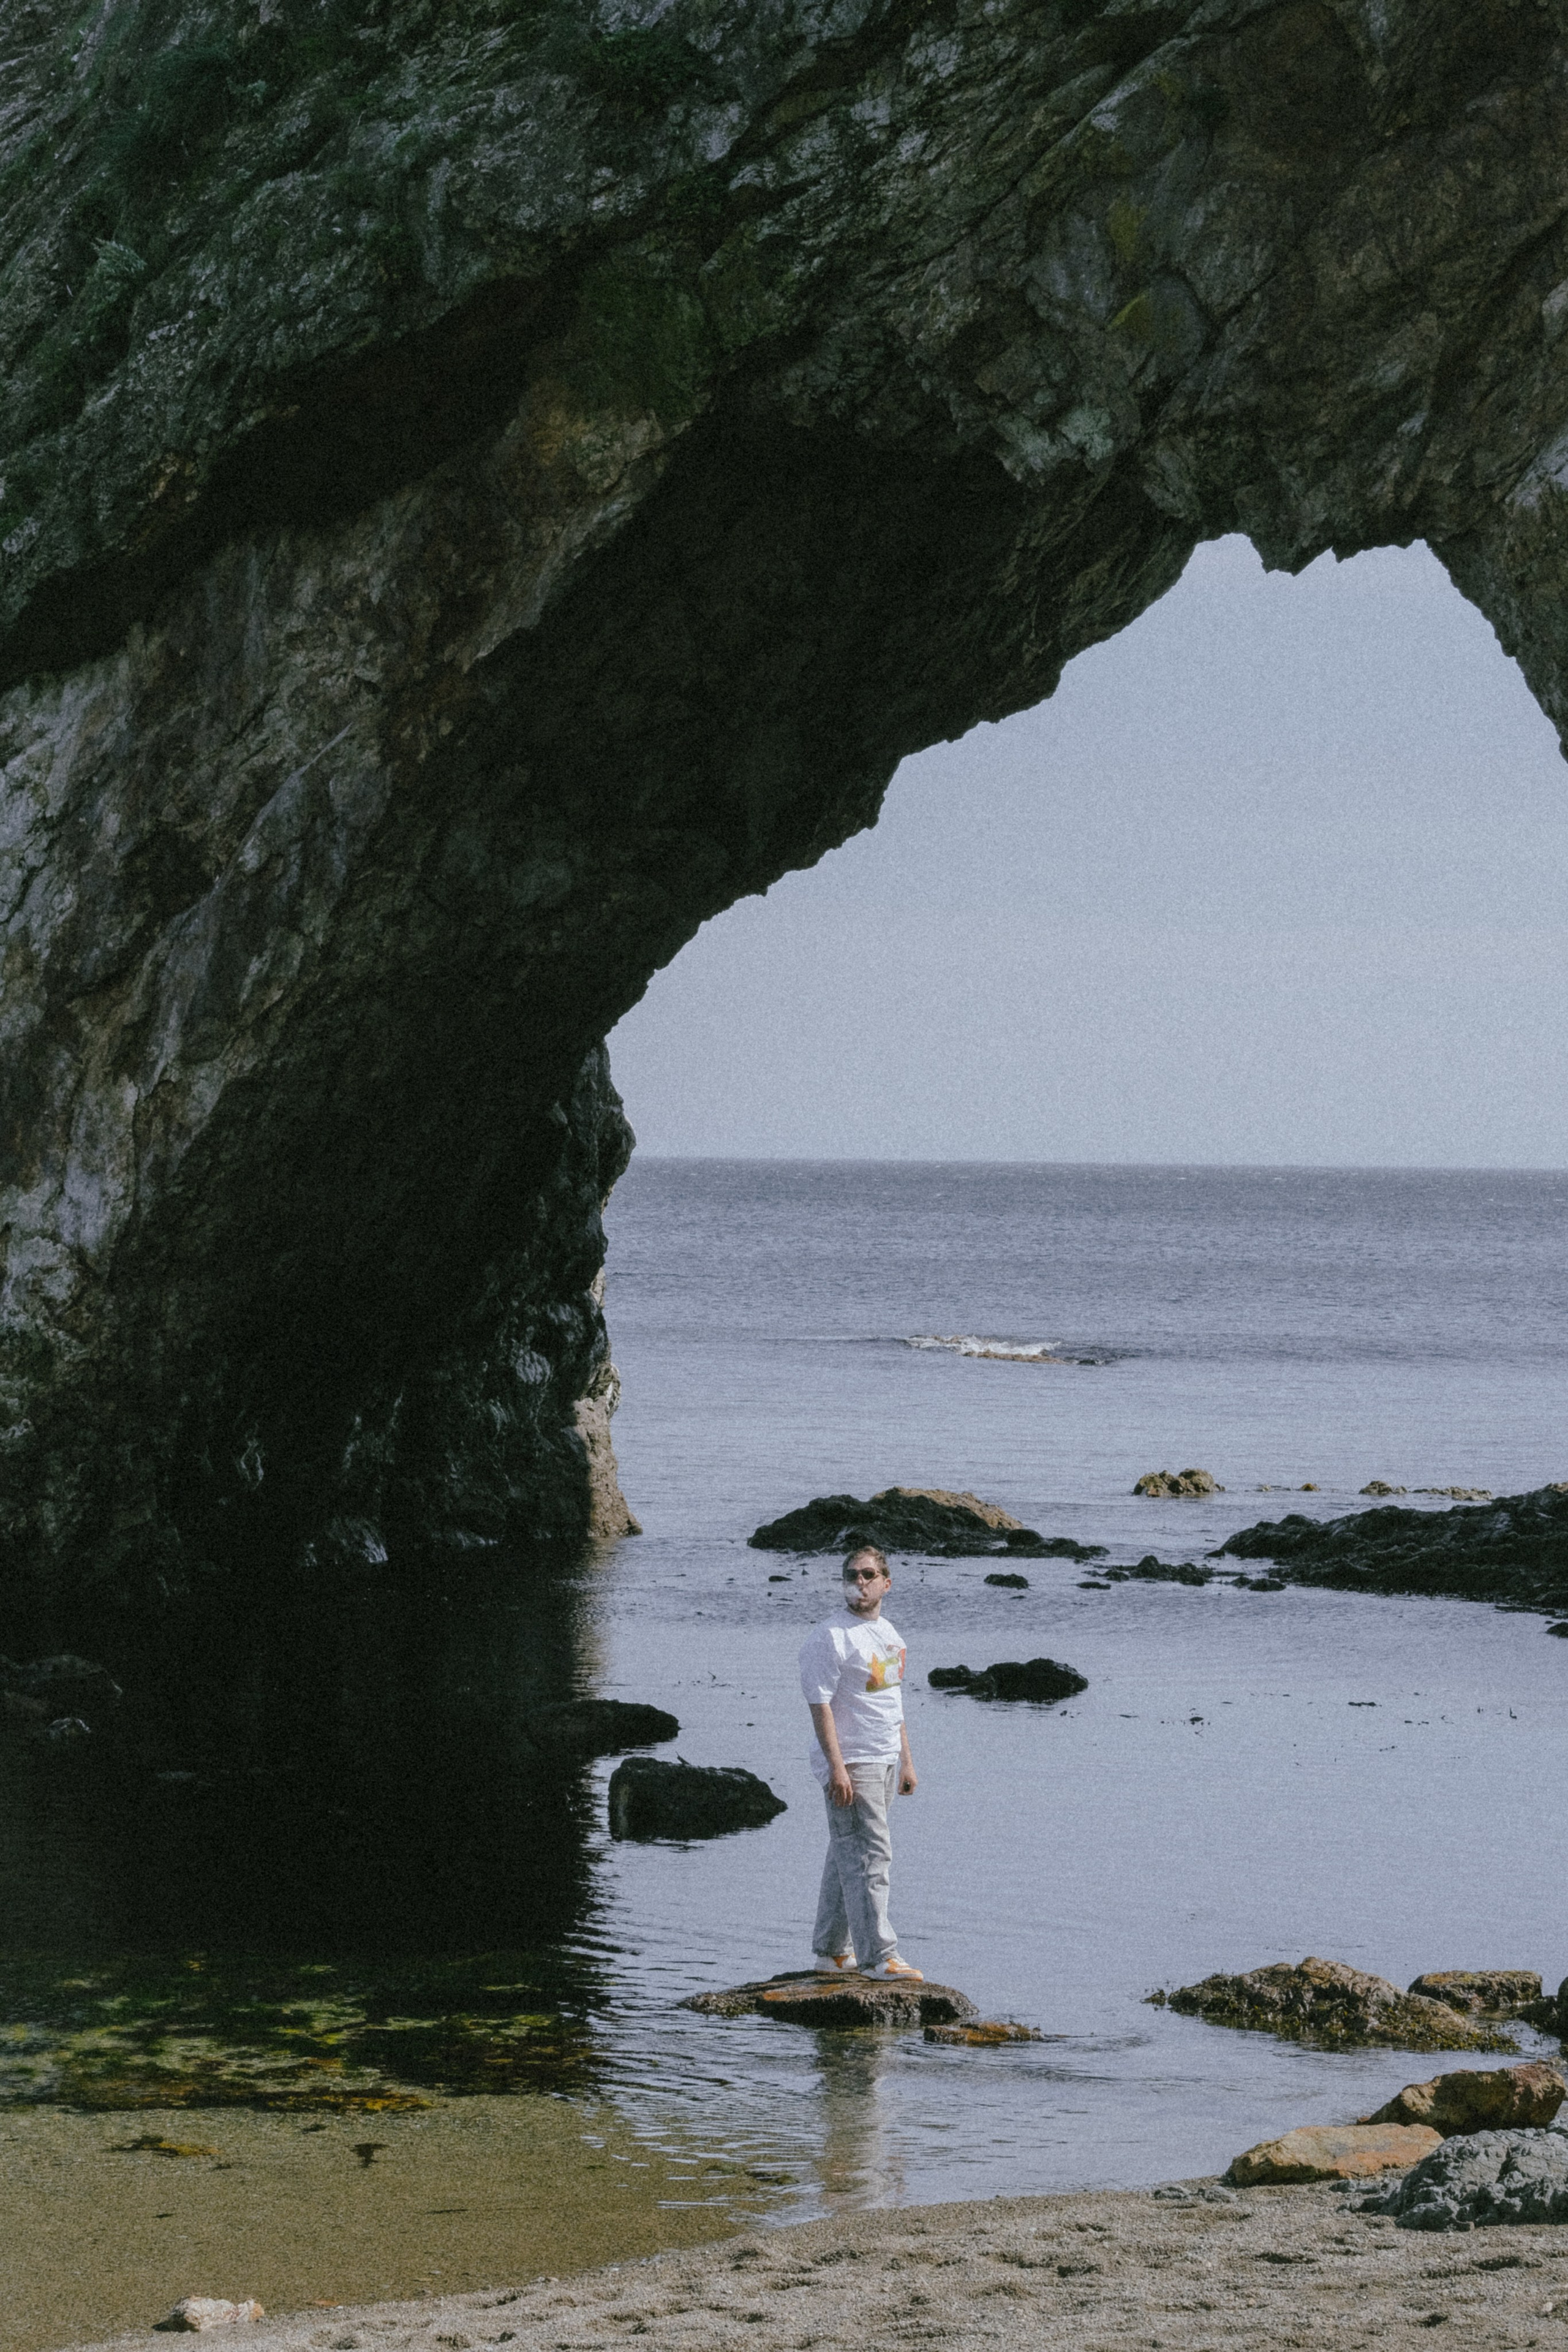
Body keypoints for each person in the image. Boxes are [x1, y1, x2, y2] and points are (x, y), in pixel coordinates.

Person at [797, 1543, 922, 1981]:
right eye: (852, 1575)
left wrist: (906, 1762)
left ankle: (832, 1952)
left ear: (886, 1583)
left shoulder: (888, 1633)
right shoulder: (830, 1637)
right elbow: (820, 1705)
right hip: (853, 1762)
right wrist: (837, 1768)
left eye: (868, 1575)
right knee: (872, 1855)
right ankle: (878, 1957)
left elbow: (891, 1702)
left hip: (885, 1758)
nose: (860, 1583)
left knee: (846, 1853)